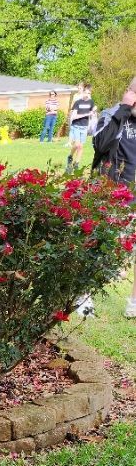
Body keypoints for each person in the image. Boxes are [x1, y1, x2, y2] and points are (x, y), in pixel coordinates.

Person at [91, 80, 136, 319]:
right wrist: (123, 111)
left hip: (134, 197)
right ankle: (83, 296)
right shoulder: (111, 114)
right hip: (110, 193)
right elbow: (100, 144)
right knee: (97, 246)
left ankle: (134, 303)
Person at [67, 83, 96, 170]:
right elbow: (74, 116)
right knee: (77, 145)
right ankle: (70, 156)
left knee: (81, 147)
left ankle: (76, 164)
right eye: (86, 93)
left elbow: (92, 112)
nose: (87, 95)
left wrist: (94, 111)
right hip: (76, 126)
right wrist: (87, 114)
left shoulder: (91, 102)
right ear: (83, 92)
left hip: (84, 127)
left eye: (89, 93)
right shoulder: (77, 103)